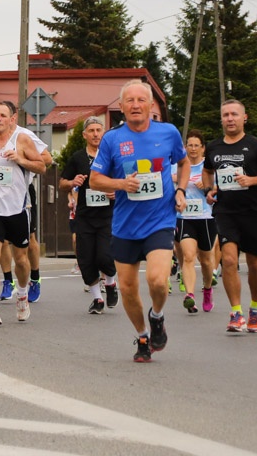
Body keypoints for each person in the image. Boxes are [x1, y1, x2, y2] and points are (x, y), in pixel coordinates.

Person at [90, 79, 188, 362]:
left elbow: (183, 162)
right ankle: (143, 336)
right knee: (128, 289)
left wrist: (180, 190)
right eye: (129, 101)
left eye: (141, 100)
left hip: (160, 220)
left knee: (157, 280)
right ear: (121, 107)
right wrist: (121, 184)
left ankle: (157, 316)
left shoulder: (168, 132)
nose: (135, 105)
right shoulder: (112, 139)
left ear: (150, 105)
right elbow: (95, 180)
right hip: (125, 225)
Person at [202, 99, 257, 335]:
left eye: (234, 114)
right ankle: (236, 312)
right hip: (225, 211)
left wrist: (252, 180)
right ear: (221, 119)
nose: (230, 119)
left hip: (252, 211)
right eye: (226, 115)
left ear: (244, 118)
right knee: (228, 260)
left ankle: (254, 308)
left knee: (254, 263)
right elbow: (207, 170)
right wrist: (209, 190)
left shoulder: (256, 146)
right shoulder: (214, 147)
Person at [0, 101, 47, 325]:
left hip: (18, 209)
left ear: (12, 119)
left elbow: (42, 166)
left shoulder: (21, 140)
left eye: (3, 115)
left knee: (21, 260)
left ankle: (22, 294)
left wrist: (20, 159)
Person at [60, 116, 119, 314]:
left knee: (104, 256)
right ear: (84, 135)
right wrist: (72, 182)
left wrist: (116, 191)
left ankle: (110, 283)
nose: (95, 134)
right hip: (85, 216)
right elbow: (62, 183)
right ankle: (97, 299)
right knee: (86, 260)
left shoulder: (112, 156)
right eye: (91, 131)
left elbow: (126, 180)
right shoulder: (77, 158)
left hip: (108, 215)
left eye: (98, 130)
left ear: (104, 133)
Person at [175, 131, 218, 315]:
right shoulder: (178, 165)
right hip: (184, 218)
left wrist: (209, 186)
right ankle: (190, 295)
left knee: (207, 261)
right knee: (188, 256)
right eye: (189, 145)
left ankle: (207, 290)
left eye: (196, 146)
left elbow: (220, 188)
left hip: (205, 217)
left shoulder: (208, 167)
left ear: (203, 148)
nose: (192, 149)